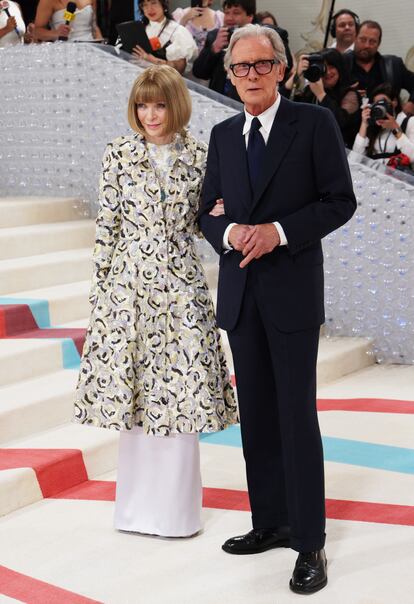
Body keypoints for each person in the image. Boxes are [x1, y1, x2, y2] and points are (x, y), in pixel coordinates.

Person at [199, 24, 356, 595]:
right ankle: (269, 521)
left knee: (295, 417)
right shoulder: (220, 134)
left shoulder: (311, 124)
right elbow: (206, 214)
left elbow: (340, 201)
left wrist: (280, 231)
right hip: (240, 296)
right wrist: (234, 228)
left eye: (261, 65)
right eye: (240, 68)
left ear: (282, 69)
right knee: (259, 416)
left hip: (291, 294)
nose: (250, 76)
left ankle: (309, 541)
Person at [73, 64, 237, 538]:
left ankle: (177, 514)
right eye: (143, 105)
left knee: (181, 394)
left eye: (159, 104)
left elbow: (211, 216)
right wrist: (102, 293)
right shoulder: (118, 155)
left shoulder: (200, 156)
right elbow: (108, 228)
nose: (150, 114)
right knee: (136, 396)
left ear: (176, 106)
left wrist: (228, 212)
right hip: (127, 288)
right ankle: (135, 512)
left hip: (182, 286)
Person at [285, 48, 361, 147]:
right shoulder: (311, 89)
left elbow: (340, 122)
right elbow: (282, 104)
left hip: (337, 150)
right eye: (323, 67)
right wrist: (296, 74)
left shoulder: (350, 94)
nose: (328, 72)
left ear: (339, 68)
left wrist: (321, 95)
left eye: (332, 67)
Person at [343, 20, 414, 116]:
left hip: (387, 126)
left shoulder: (393, 65)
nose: (366, 45)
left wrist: (411, 103)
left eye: (372, 41)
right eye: (363, 40)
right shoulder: (342, 64)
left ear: (379, 44)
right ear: (355, 38)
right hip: (348, 127)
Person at [192, 0, 255, 99]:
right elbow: (199, 72)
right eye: (226, 13)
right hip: (218, 101)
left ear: (250, 17)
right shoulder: (215, 35)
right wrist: (214, 49)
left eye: (236, 13)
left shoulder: (258, 40)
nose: (229, 18)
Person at [353, 83, 414, 168]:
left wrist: (395, 129)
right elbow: (354, 160)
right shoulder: (374, 125)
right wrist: (364, 124)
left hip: (398, 178)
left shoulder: (409, 122)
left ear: (394, 102)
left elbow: (412, 157)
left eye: (383, 102)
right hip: (373, 178)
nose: (379, 106)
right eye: (376, 104)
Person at [132, 0, 197, 75]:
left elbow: (179, 69)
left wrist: (152, 60)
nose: (149, 9)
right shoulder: (138, 29)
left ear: (163, 5)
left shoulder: (178, 31)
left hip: (164, 83)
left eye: (154, 3)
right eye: (145, 5)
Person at [34, 0, 102, 42]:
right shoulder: (48, 1)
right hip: (64, 50)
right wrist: (55, 33)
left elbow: (95, 27)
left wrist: (101, 45)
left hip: (90, 48)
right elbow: (36, 31)